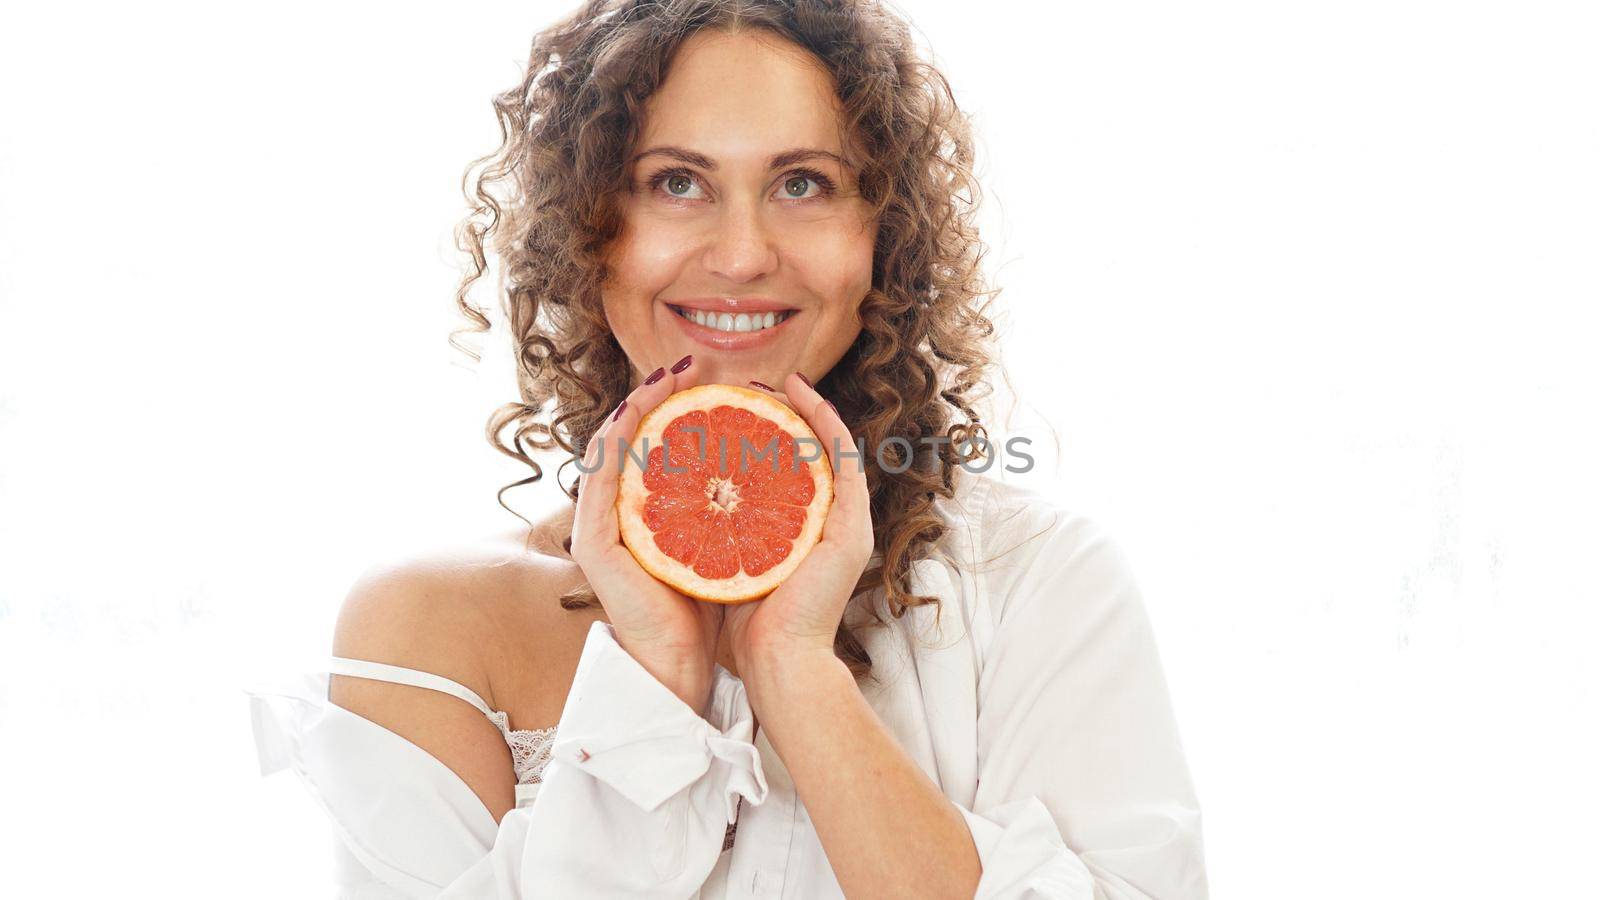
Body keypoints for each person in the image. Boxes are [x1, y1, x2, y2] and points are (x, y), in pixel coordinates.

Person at [244, 1, 1209, 897]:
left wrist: (793, 668)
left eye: (803, 184)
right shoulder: (429, 630)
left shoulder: (1037, 580)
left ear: (885, 236)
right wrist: (660, 682)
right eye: (676, 182)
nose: (743, 253)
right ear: (589, 231)